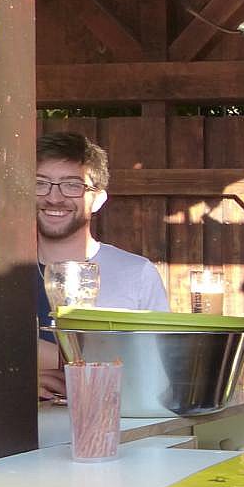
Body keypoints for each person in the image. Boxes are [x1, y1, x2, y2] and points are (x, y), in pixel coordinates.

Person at [36, 131, 169, 399]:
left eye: (72, 185)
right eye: (40, 183)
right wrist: (19, 384)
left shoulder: (137, 274)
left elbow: (159, 377)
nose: (54, 197)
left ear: (98, 199)